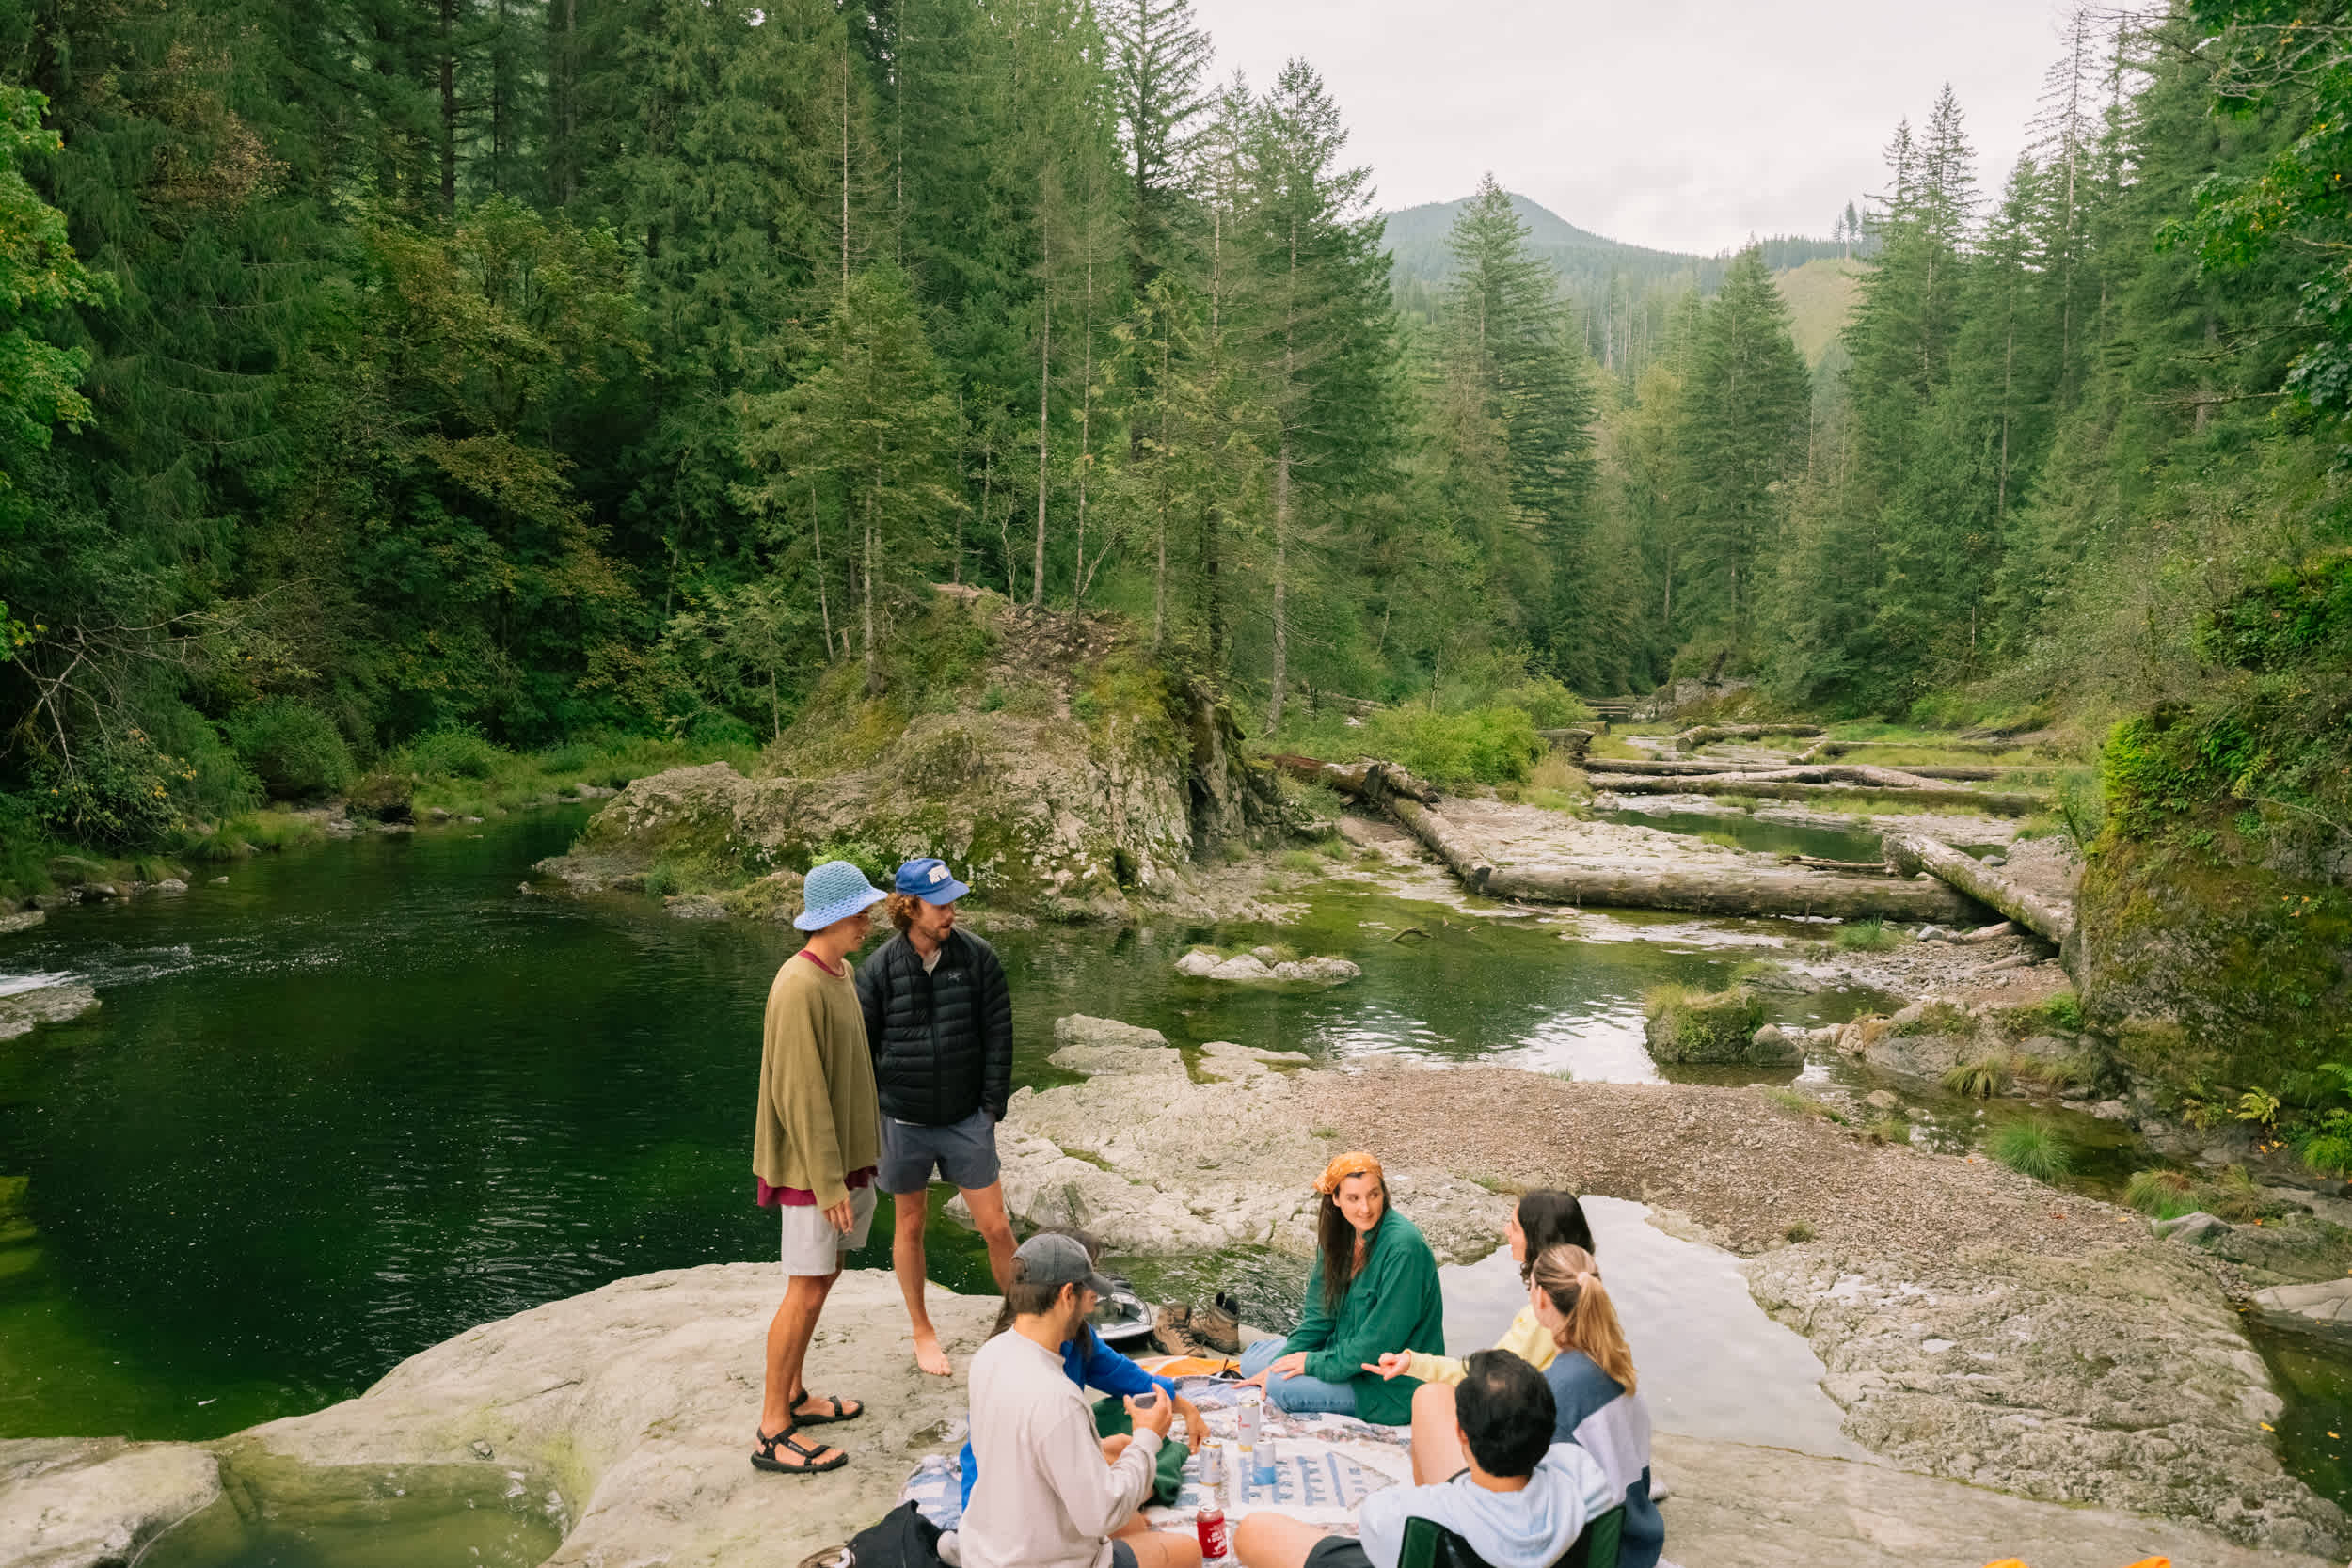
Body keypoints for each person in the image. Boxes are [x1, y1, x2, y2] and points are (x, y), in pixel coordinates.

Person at [748, 859, 889, 1476]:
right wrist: (828, 1181)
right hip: (813, 1173)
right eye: (860, 910)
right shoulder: (796, 985)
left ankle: (796, 1395)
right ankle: (772, 1427)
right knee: (804, 1287)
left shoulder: (841, 972)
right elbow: (800, 1093)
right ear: (833, 916)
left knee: (824, 1278)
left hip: (847, 1163)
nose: (869, 918)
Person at [857, 856, 1020, 1377]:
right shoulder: (878, 969)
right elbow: (860, 1050)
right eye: (940, 902)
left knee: (995, 1226)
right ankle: (923, 1332)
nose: (951, 910)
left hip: (967, 1118)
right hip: (902, 1121)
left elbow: (999, 1035)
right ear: (909, 907)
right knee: (909, 1224)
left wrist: (991, 1106)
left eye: (953, 900)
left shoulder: (978, 958)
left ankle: (1024, 1326)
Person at [1231, 1350, 1614, 1568]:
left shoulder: (1412, 1516)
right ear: (1547, 1432)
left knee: (1253, 1532)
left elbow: (1381, 1535)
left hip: (1434, 1554)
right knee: (1430, 1396)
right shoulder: (1591, 1486)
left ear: (1461, 1433)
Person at [1406, 1245, 1661, 1568]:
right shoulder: (1618, 1367)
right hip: (1631, 1541)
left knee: (1430, 1398)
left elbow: (1518, 1491)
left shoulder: (1555, 1392)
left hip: (1578, 1551)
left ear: (1540, 1298)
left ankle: (1437, 1543)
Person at [960, 1232, 1204, 1568]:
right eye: (1089, 1293)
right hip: (1043, 1559)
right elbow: (1101, 1516)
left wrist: (1099, 1451)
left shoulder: (989, 1355)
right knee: (1187, 1551)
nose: (1094, 1303)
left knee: (1139, 1526)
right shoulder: (1058, 1397)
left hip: (987, 1547)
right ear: (1065, 1295)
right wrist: (1147, 1439)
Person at [1234, 1151, 1443, 1424]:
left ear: (1384, 1194)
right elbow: (1319, 1318)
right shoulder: (1339, 1236)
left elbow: (1378, 1344)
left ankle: (1289, 1379)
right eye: (1353, 1198)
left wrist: (1309, 1364)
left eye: (1373, 1195)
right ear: (1335, 1199)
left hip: (1384, 1384)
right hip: (1340, 1354)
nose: (1365, 1208)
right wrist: (1282, 1362)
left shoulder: (1403, 1247)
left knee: (1278, 1385)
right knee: (1253, 1361)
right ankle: (1280, 1370)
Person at [1363, 1190, 1594, 1388]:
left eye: (1514, 1226)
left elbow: (1487, 1376)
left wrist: (1415, 1364)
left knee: (1431, 1396)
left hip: (1530, 1424)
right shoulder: (1588, 1291)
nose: (1506, 1231)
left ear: (1537, 1240)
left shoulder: (1544, 1317)